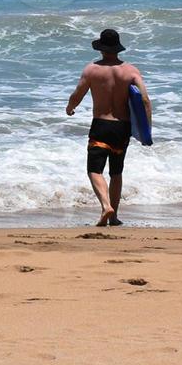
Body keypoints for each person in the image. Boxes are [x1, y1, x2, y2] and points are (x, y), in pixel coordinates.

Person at [65, 28, 151, 227]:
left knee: (94, 170)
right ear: (118, 48)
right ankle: (114, 216)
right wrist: (147, 129)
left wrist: (70, 107)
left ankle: (106, 206)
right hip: (123, 127)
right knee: (116, 173)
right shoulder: (131, 71)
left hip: (101, 125)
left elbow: (78, 94)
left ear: (101, 49)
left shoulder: (92, 70)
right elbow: (145, 99)